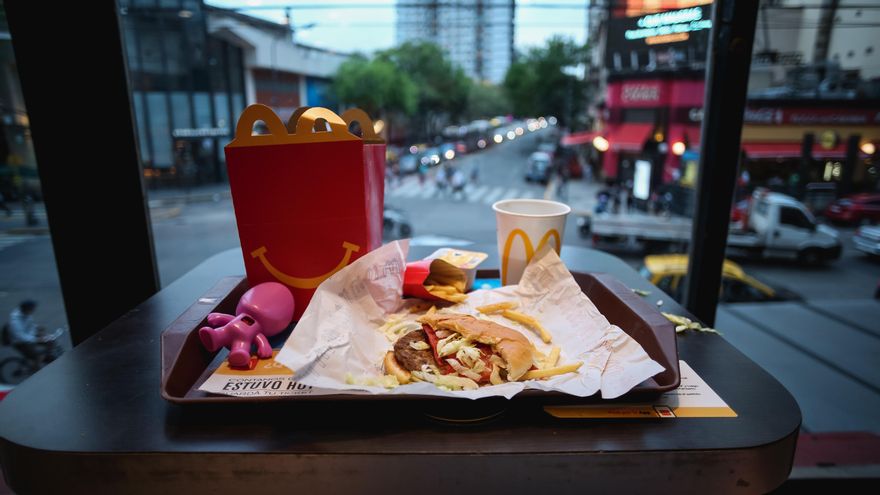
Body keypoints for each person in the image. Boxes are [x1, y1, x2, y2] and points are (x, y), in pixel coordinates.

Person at [6, 300, 62, 364]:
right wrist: (37, 339)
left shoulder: (26, 314)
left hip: (29, 336)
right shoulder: (15, 321)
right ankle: (36, 368)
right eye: (31, 309)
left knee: (50, 341)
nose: (33, 311)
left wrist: (37, 328)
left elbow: (30, 325)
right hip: (19, 342)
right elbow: (20, 336)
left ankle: (45, 356)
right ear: (26, 309)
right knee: (37, 357)